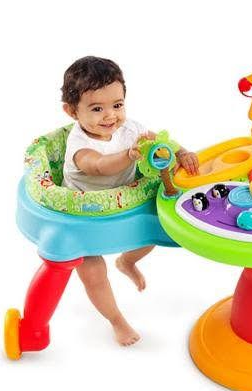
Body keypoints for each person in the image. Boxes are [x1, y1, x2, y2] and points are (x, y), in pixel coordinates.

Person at [61, 56, 199, 345]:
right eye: (97, 109)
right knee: (92, 271)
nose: (110, 116)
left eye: (117, 105)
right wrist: (129, 155)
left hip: (125, 204)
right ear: (72, 111)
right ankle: (117, 321)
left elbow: (161, 142)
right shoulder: (79, 145)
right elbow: (98, 166)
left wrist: (182, 152)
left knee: (153, 232)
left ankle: (127, 261)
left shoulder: (130, 129)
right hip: (83, 215)